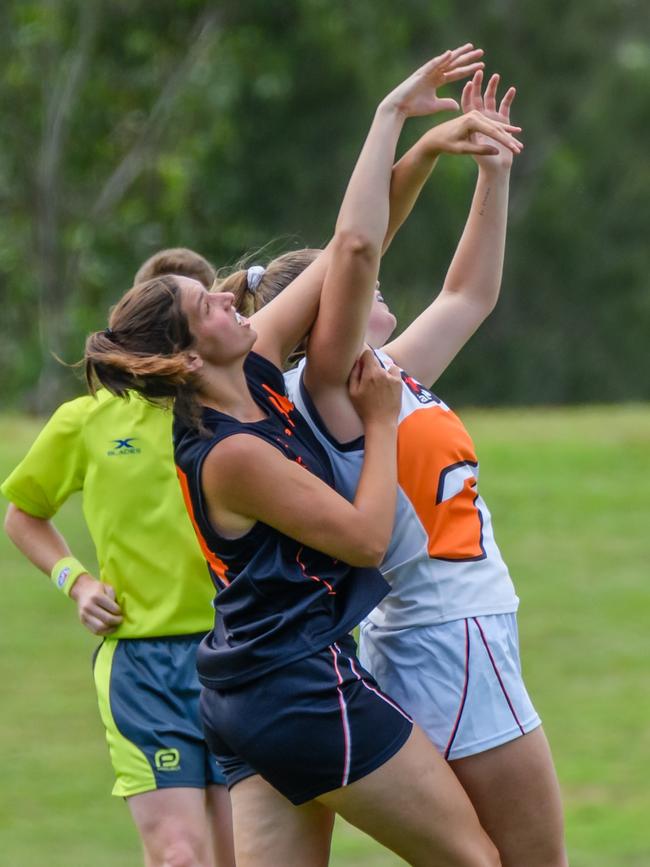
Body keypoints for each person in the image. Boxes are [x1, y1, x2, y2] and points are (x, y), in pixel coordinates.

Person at [82, 48, 521, 866]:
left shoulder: (246, 367)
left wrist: (418, 149)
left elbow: (351, 244)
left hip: (246, 694)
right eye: (204, 303)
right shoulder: (228, 451)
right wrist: (384, 424)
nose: (225, 290)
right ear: (184, 358)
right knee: (478, 859)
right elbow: (360, 538)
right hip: (298, 691)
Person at [279, 70, 567, 867]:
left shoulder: (384, 374)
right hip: (448, 633)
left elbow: (470, 293)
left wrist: (492, 174)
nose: (375, 280)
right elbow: (359, 243)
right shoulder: (328, 385)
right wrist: (400, 127)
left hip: (452, 630)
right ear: (323, 311)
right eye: (353, 284)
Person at [2, 249, 238, 867]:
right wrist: (74, 581)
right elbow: (24, 513)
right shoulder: (87, 421)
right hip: (144, 667)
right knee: (179, 856)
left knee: (241, 856)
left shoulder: (232, 409)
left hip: (239, 652)